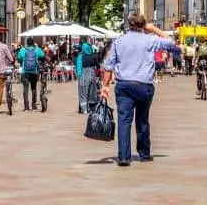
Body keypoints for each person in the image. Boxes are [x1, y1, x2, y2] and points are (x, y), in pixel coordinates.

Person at [100, 13, 178, 167]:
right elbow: (171, 42)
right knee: (142, 119)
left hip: (124, 86)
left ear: (129, 25)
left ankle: (123, 157)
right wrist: (153, 28)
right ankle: (144, 153)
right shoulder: (150, 40)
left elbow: (109, 66)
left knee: (124, 121)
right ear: (143, 26)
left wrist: (105, 86)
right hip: (144, 86)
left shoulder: (119, 41)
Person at [17, 38, 45, 111]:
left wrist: (21, 62)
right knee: (34, 88)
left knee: (25, 89)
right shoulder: (37, 49)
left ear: (27, 43)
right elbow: (43, 56)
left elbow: (18, 58)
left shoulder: (22, 50)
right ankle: (34, 105)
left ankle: (26, 107)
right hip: (34, 71)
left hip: (25, 71)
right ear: (33, 43)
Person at [75, 37, 95, 114]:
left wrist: (78, 76)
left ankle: (84, 109)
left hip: (83, 75)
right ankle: (91, 108)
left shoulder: (80, 57)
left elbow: (79, 69)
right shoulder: (92, 56)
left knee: (83, 92)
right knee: (91, 92)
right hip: (92, 75)